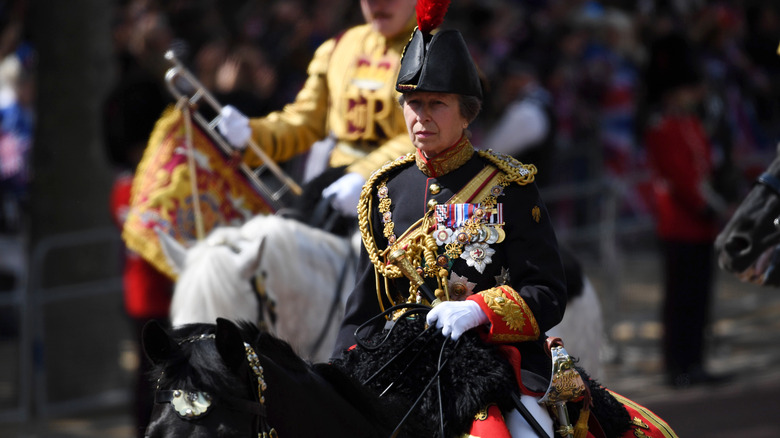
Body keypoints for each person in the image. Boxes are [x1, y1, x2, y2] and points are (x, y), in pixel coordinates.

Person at [331, 16, 567, 436]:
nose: (421, 117)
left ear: (466, 114)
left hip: (497, 363)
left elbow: (547, 294)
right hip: (402, 364)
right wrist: (340, 373)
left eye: (436, 104)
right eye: (413, 104)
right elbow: (365, 308)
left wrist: (479, 310)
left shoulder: (509, 187)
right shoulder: (385, 190)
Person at [217, 0, 419, 220]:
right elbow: (305, 121)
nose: (379, 5)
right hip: (336, 189)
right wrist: (253, 134)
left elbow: (430, 133)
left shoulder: (435, 50)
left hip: (407, 195)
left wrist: (367, 174)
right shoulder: (340, 47)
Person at [642, 31, 731, 389]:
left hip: (700, 224)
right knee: (681, 302)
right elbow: (680, 177)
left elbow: (704, 167)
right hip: (680, 223)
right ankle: (678, 365)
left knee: (699, 298)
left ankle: (694, 361)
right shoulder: (662, 127)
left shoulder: (691, 123)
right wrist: (708, 206)